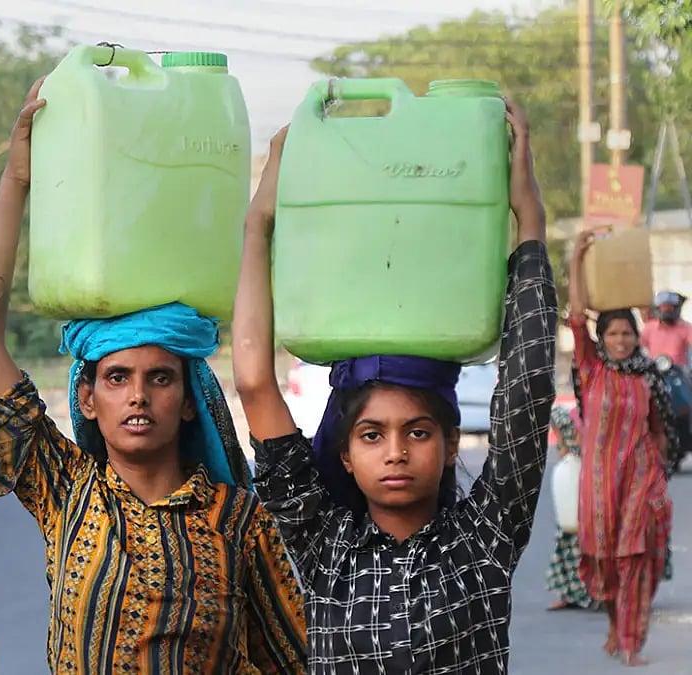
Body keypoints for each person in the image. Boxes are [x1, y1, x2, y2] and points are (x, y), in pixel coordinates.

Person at [0, 78, 308, 674]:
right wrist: (18, 181)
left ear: (192, 400)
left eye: (161, 379)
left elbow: (296, 661)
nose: (138, 395)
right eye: (117, 378)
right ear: (87, 399)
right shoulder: (67, 492)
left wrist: (260, 224)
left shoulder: (239, 520)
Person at [234, 100, 556, 674]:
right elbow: (255, 382)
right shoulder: (326, 548)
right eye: (372, 435)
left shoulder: (485, 540)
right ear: (346, 454)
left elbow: (527, 387)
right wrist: (258, 224)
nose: (396, 452)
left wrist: (528, 217)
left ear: (453, 443)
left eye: (418, 431)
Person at [566, 231, 675, 667]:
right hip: (598, 482)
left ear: (636, 335)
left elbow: (659, 429)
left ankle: (631, 643)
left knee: (636, 559)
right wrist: (576, 257)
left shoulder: (647, 375)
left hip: (641, 476)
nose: (621, 340)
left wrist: (661, 478)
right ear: (602, 337)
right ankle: (615, 624)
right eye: (613, 333)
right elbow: (575, 315)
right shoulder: (591, 369)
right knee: (607, 562)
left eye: (627, 333)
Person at [545, 404, 602, 612]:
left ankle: (589, 592)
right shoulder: (576, 416)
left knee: (580, 544)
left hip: (587, 486)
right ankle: (574, 593)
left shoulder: (583, 418)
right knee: (571, 542)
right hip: (578, 485)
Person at [641, 290, 692, 366]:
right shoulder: (649, 327)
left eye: (670, 307)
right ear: (658, 309)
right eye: (664, 307)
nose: (667, 310)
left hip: (678, 373)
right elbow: (639, 346)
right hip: (654, 371)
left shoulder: (686, 328)